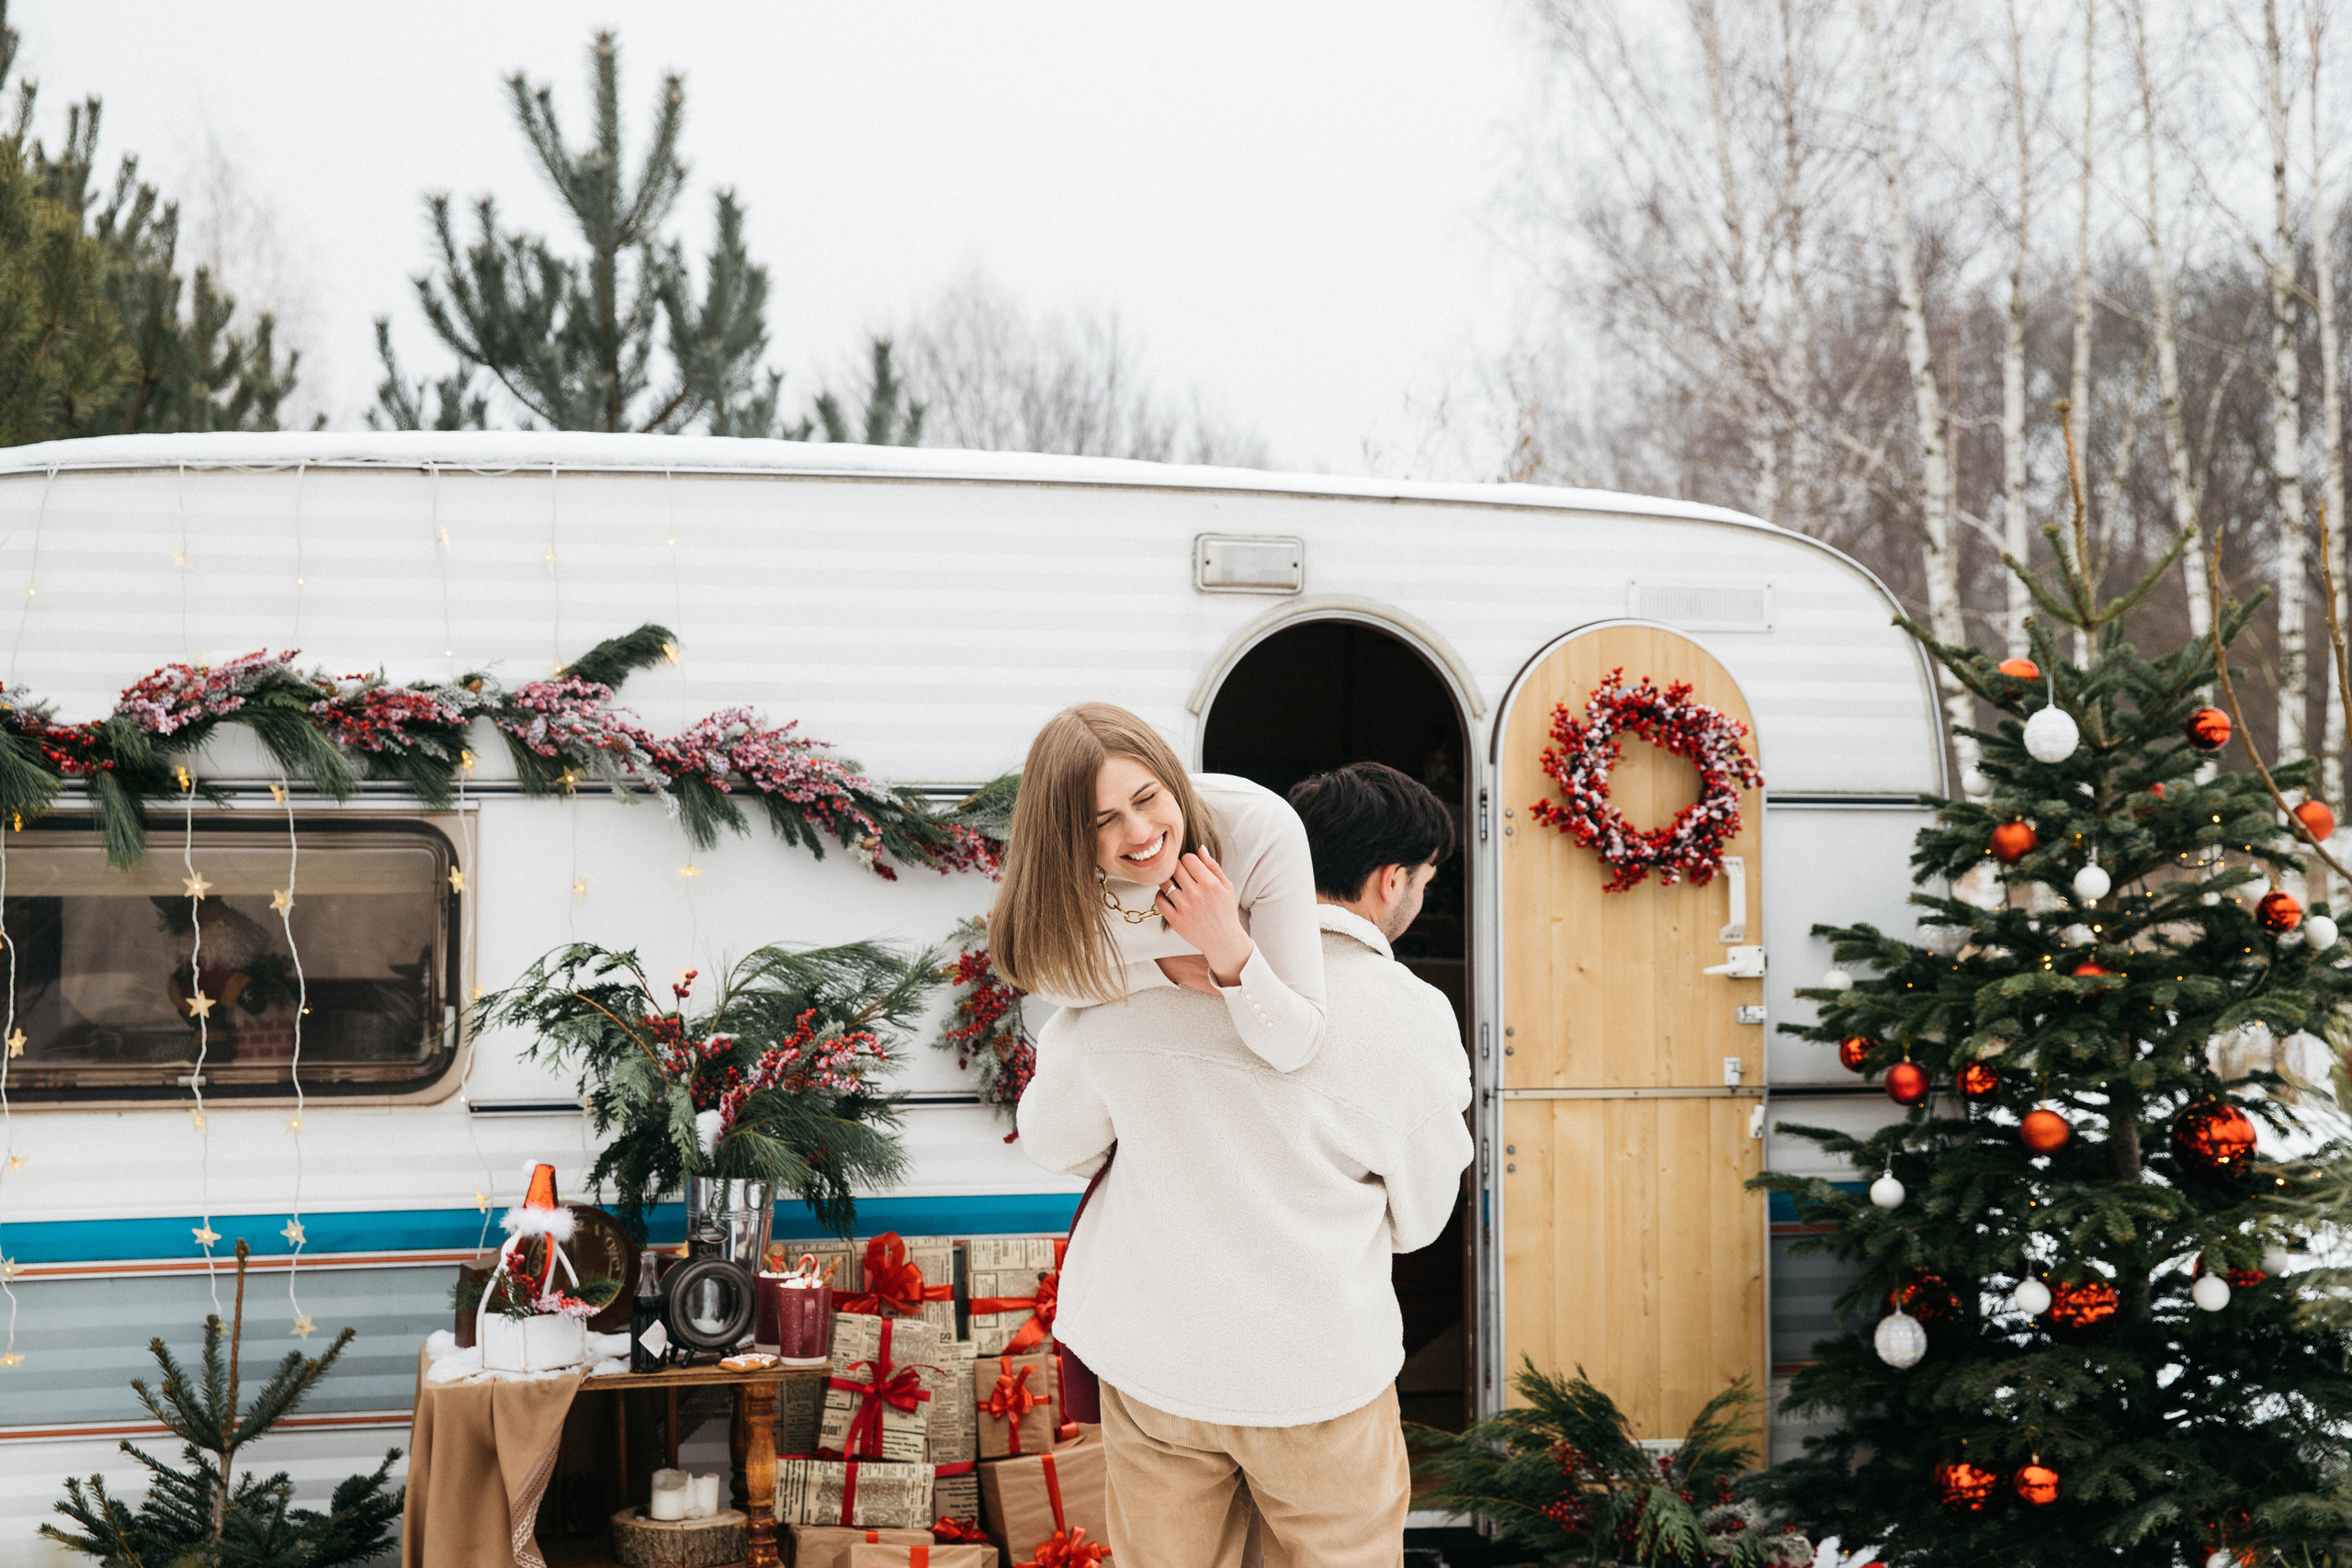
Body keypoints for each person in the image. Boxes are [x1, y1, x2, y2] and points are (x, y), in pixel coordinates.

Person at [1017, 757, 1474, 1568]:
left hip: (1155, 1366)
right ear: (1391, 880)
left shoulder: (1141, 976)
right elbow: (1424, 1219)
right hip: (1317, 1381)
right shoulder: (1410, 1014)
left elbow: (1054, 1140)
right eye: (1424, 882)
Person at [990, 702, 1329, 1073]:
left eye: (1147, 798)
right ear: (1068, 836)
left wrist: (1227, 947)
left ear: (1171, 778)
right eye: (1103, 822)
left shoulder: (1259, 826)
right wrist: (1166, 968)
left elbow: (1297, 1048)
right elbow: (1042, 977)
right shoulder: (1059, 864)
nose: (1139, 832)